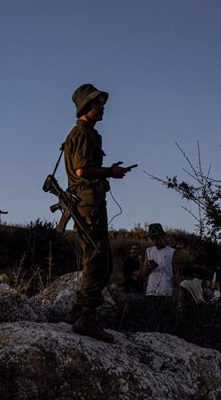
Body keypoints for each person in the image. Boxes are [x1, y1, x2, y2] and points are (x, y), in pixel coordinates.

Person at [62, 84, 135, 343]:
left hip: (86, 201)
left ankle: (77, 311)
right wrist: (110, 172)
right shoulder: (84, 133)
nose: (101, 108)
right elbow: (82, 171)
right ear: (85, 108)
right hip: (88, 201)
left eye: (102, 104)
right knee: (98, 259)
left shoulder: (83, 133)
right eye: (96, 104)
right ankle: (87, 317)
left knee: (95, 256)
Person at [141, 223, 178, 296]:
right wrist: (150, 268)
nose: (155, 241)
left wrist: (176, 293)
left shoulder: (172, 252)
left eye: (157, 238)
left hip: (167, 292)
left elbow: (176, 273)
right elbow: (143, 275)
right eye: (152, 239)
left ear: (163, 236)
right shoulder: (149, 251)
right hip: (151, 292)